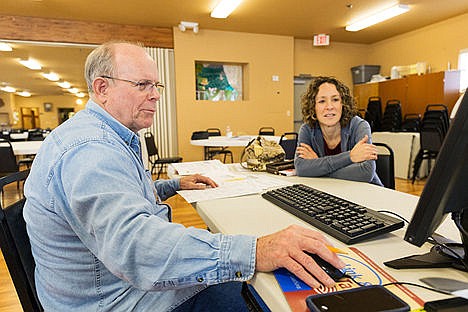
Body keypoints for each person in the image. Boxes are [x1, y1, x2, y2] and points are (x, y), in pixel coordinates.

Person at [24, 42, 345, 311]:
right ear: (102, 88)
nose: (155, 95)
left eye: (156, 85)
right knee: (263, 297)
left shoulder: (104, 136)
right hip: (116, 301)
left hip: (109, 288)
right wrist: (256, 250)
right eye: (142, 85)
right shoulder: (91, 150)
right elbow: (138, 249)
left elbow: (122, 199)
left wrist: (174, 184)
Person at [294, 76, 383, 186]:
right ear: (313, 107)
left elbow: (366, 172)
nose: (329, 106)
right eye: (322, 101)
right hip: (330, 191)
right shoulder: (307, 129)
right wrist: (350, 156)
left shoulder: (359, 126)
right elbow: (301, 169)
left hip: (367, 193)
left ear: (343, 104)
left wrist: (318, 166)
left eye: (335, 100)